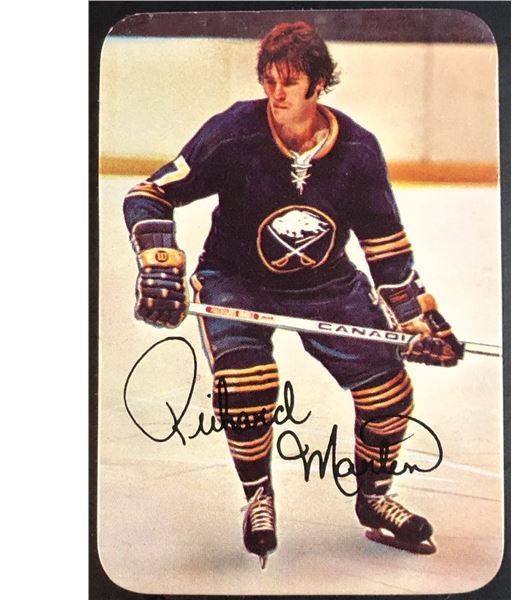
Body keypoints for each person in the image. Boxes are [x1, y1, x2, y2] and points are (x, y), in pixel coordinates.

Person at [123, 21, 463, 568]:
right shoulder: (233, 132)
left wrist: (415, 318)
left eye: (291, 82)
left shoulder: (358, 150)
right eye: (269, 80)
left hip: (326, 285)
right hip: (236, 280)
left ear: (319, 84)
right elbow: (149, 193)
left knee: (390, 393)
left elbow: (385, 248)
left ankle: (375, 498)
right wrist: (159, 259)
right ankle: (258, 495)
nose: (276, 93)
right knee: (246, 384)